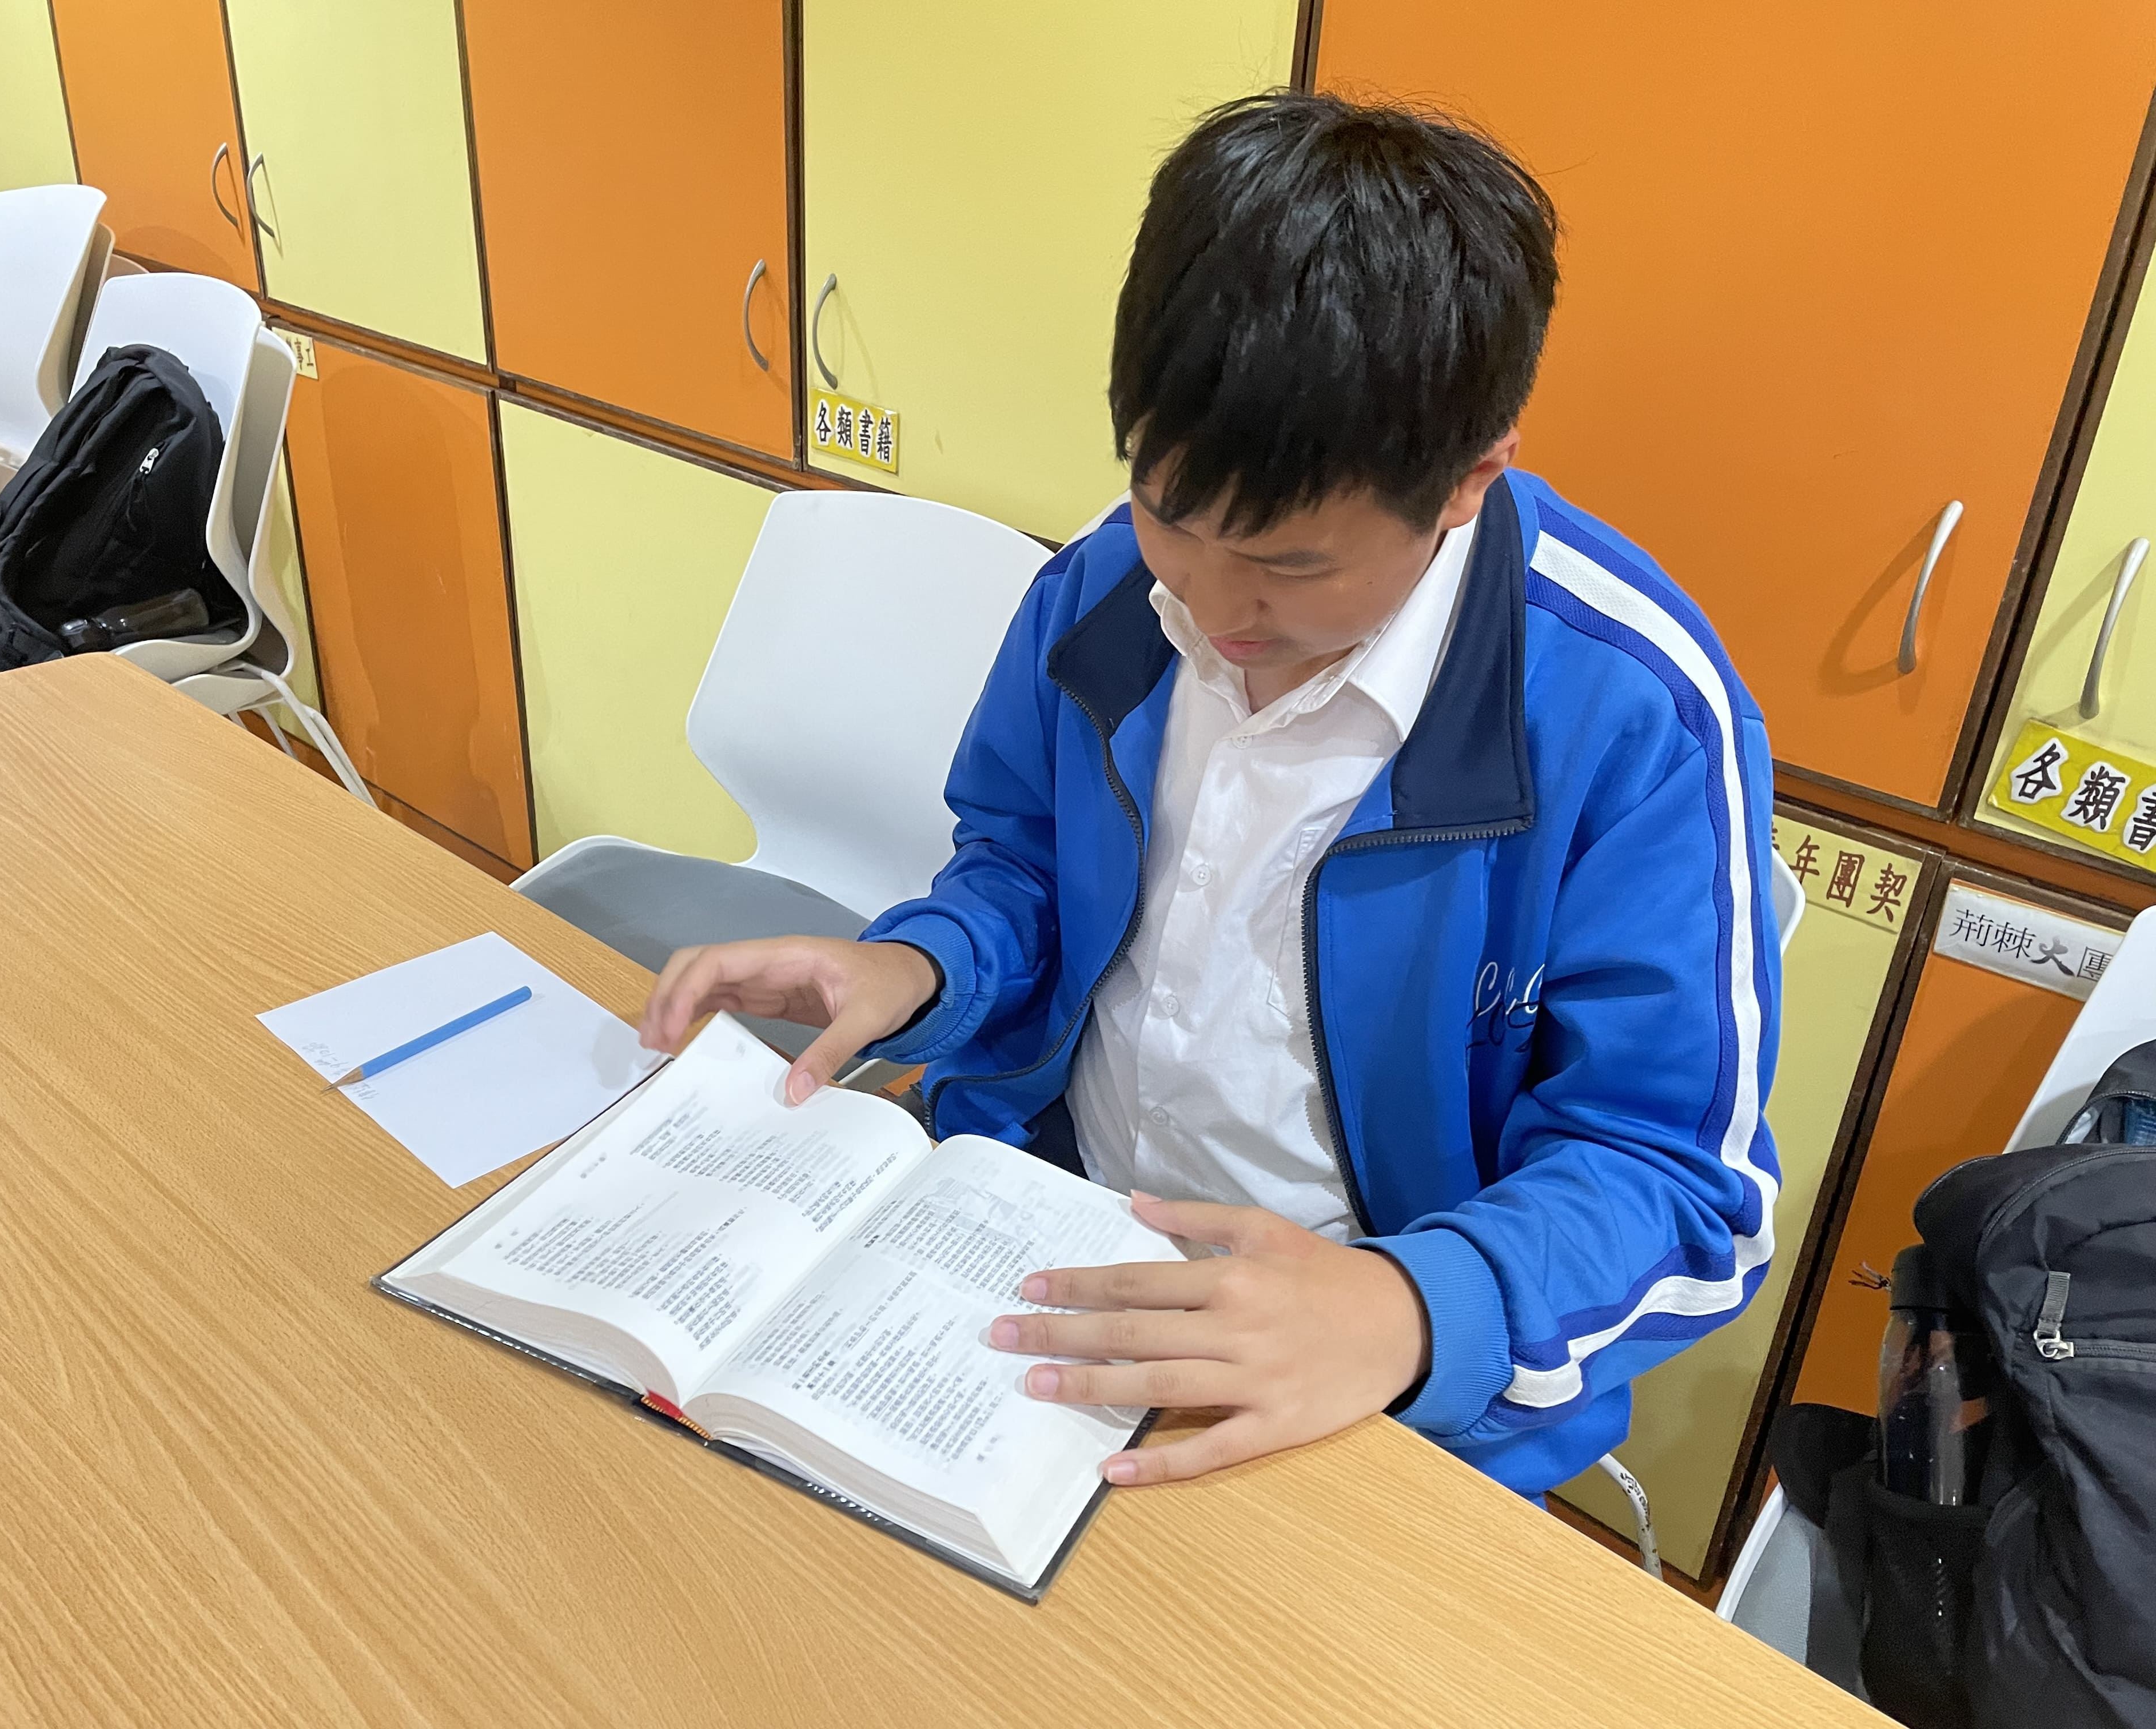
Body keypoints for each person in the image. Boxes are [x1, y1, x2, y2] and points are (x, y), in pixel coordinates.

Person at [641, 90, 1780, 1501]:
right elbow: (1021, 867)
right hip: (1037, 1250)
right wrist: (920, 965)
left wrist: (1410, 1309)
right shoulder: (1105, 586)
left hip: (1364, 1383)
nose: (1213, 603)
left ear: (1469, 481)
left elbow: (1678, 1182)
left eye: (1295, 566)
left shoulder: (1631, 713)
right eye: (1170, 512)